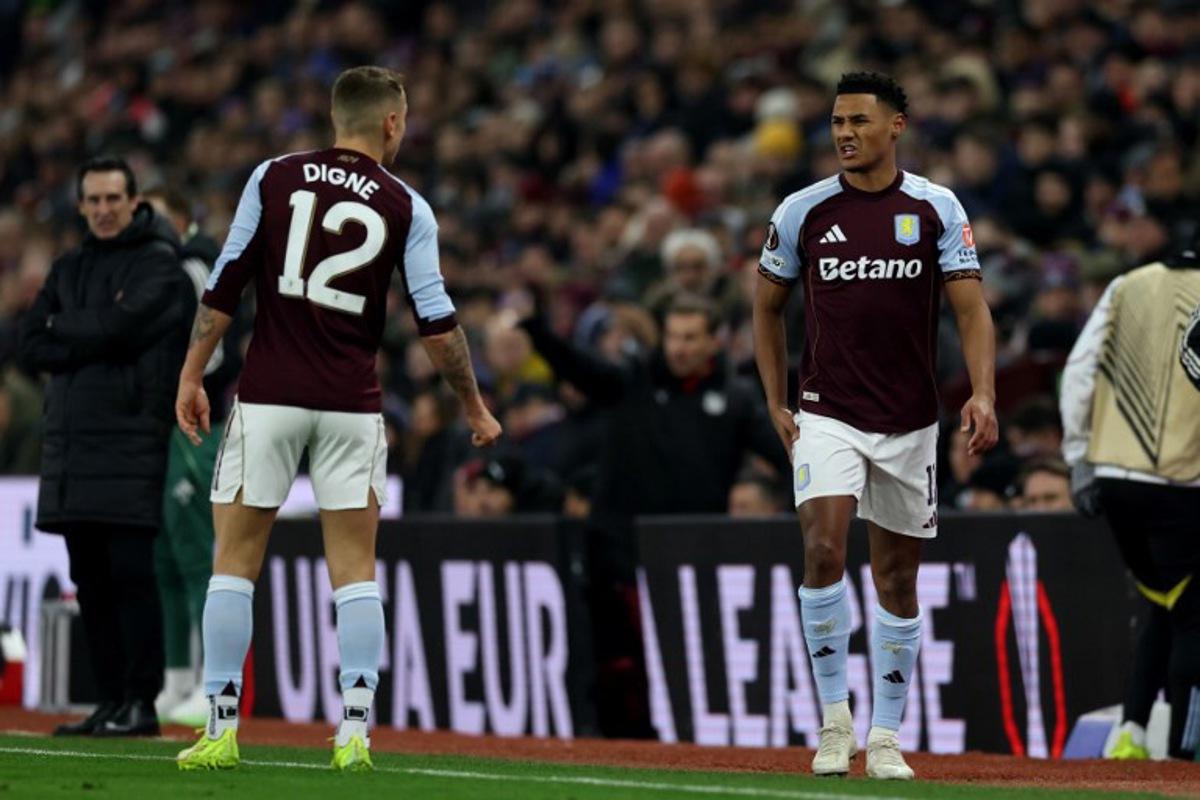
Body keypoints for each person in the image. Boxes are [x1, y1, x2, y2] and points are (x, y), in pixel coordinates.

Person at [173, 66, 500, 771]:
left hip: (268, 395)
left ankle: (221, 726)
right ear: (389, 122)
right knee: (354, 569)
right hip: (352, 406)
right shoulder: (407, 204)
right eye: (404, 119)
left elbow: (226, 282)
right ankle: (355, 729)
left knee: (233, 563)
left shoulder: (272, 177)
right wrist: (473, 404)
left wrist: (192, 370)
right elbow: (437, 324)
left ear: (334, 117)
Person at [753, 72, 998, 780]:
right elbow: (765, 306)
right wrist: (776, 399)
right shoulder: (802, 211)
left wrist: (982, 393)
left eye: (859, 120)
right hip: (827, 411)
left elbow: (972, 310)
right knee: (823, 549)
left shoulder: (935, 207)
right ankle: (836, 725)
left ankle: (885, 737)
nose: (844, 133)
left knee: (896, 575)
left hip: (912, 420)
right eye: (835, 122)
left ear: (897, 125)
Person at [17, 156, 191, 737]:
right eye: (92, 200)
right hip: (71, 448)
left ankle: (141, 700)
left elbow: (122, 329)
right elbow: (27, 343)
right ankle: (112, 699)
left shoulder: (160, 268)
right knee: (89, 577)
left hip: (132, 441)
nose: (103, 210)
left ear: (135, 201)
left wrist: (63, 330)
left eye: (113, 199)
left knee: (130, 573)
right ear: (81, 204)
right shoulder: (69, 266)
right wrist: (90, 333)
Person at [1061, 231, 1200, 760]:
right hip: (1182, 479)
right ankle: (1186, 750)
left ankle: (1132, 733)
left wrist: (1078, 457)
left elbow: (1079, 371)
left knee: (1160, 604)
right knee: (1193, 612)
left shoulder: (1125, 284)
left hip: (1115, 474)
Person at [143, 187, 244, 727]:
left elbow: (218, 344)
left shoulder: (194, 263)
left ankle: (211, 678)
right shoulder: (157, 267)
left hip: (198, 420)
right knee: (164, 549)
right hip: (167, 421)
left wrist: (187, 384)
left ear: (182, 218)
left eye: (155, 215)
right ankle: (176, 676)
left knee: (193, 550)